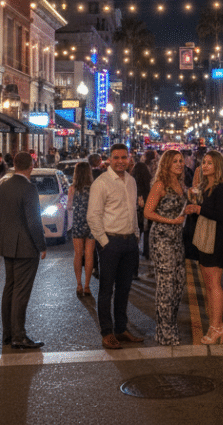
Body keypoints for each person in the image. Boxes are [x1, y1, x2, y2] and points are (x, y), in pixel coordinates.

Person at [88, 144, 145, 349]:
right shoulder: (101, 183)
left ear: (129, 159)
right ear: (109, 160)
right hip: (110, 242)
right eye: (116, 157)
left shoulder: (130, 181)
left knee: (124, 288)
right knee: (106, 290)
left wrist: (136, 235)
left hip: (129, 241)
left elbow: (132, 212)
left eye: (124, 157)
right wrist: (104, 242)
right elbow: (93, 216)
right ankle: (107, 332)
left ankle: (121, 329)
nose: (121, 161)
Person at [0, 152, 47, 349]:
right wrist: (41, 245)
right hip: (25, 246)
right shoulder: (29, 188)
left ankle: (8, 333)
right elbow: (33, 220)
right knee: (21, 291)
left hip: (7, 243)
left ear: (14, 165)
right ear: (31, 166)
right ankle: (19, 334)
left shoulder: (3, 186)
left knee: (9, 288)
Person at [143, 150, 192, 345]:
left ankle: (169, 325)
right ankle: (164, 331)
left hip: (177, 238)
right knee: (166, 286)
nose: (179, 164)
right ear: (166, 164)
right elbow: (148, 212)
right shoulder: (160, 185)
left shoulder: (180, 185)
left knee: (178, 284)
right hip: (162, 238)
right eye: (175, 162)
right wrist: (171, 221)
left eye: (181, 161)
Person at [189, 151, 223, 344]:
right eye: (204, 162)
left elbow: (220, 215)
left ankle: (217, 327)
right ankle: (216, 325)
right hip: (206, 236)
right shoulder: (206, 187)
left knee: (214, 284)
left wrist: (198, 209)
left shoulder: (221, 188)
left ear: (218, 167)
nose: (205, 166)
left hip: (215, 238)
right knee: (209, 284)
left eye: (209, 163)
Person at [68, 161, 95, 296]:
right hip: (91, 223)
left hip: (78, 222)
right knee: (89, 254)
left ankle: (78, 284)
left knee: (78, 254)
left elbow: (68, 206)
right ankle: (87, 286)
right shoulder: (94, 188)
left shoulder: (73, 188)